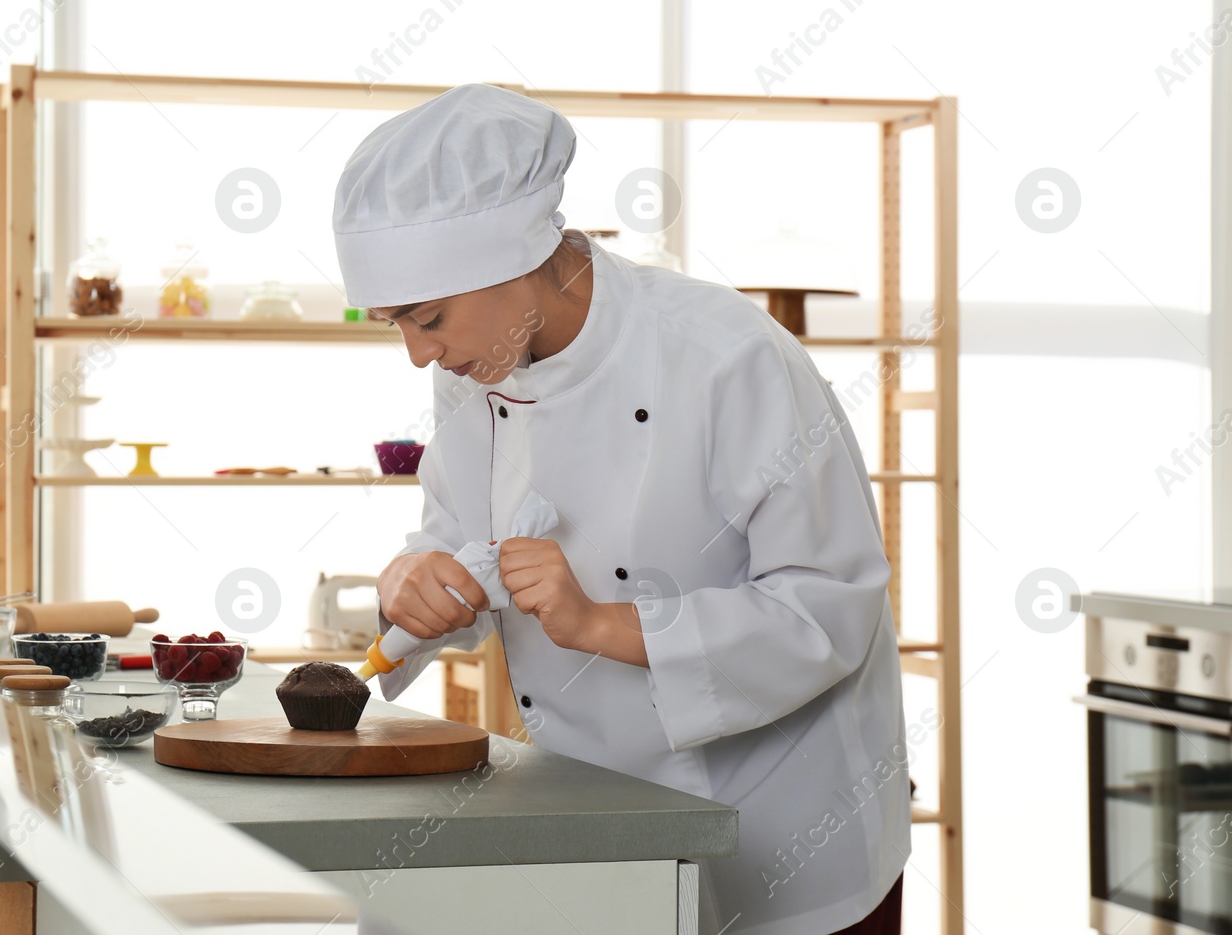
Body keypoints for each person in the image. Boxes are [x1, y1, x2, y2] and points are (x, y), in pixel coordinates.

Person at [331, 83, 910, 935]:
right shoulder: (476, 370)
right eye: (395, 326)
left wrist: (600, 622)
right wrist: (416, 580)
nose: (420, 354)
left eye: (428, 318)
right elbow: (462, 544)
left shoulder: (726, 357)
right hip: (602, 823)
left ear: (515, 259)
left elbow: (829, 606)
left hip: (787, 833)